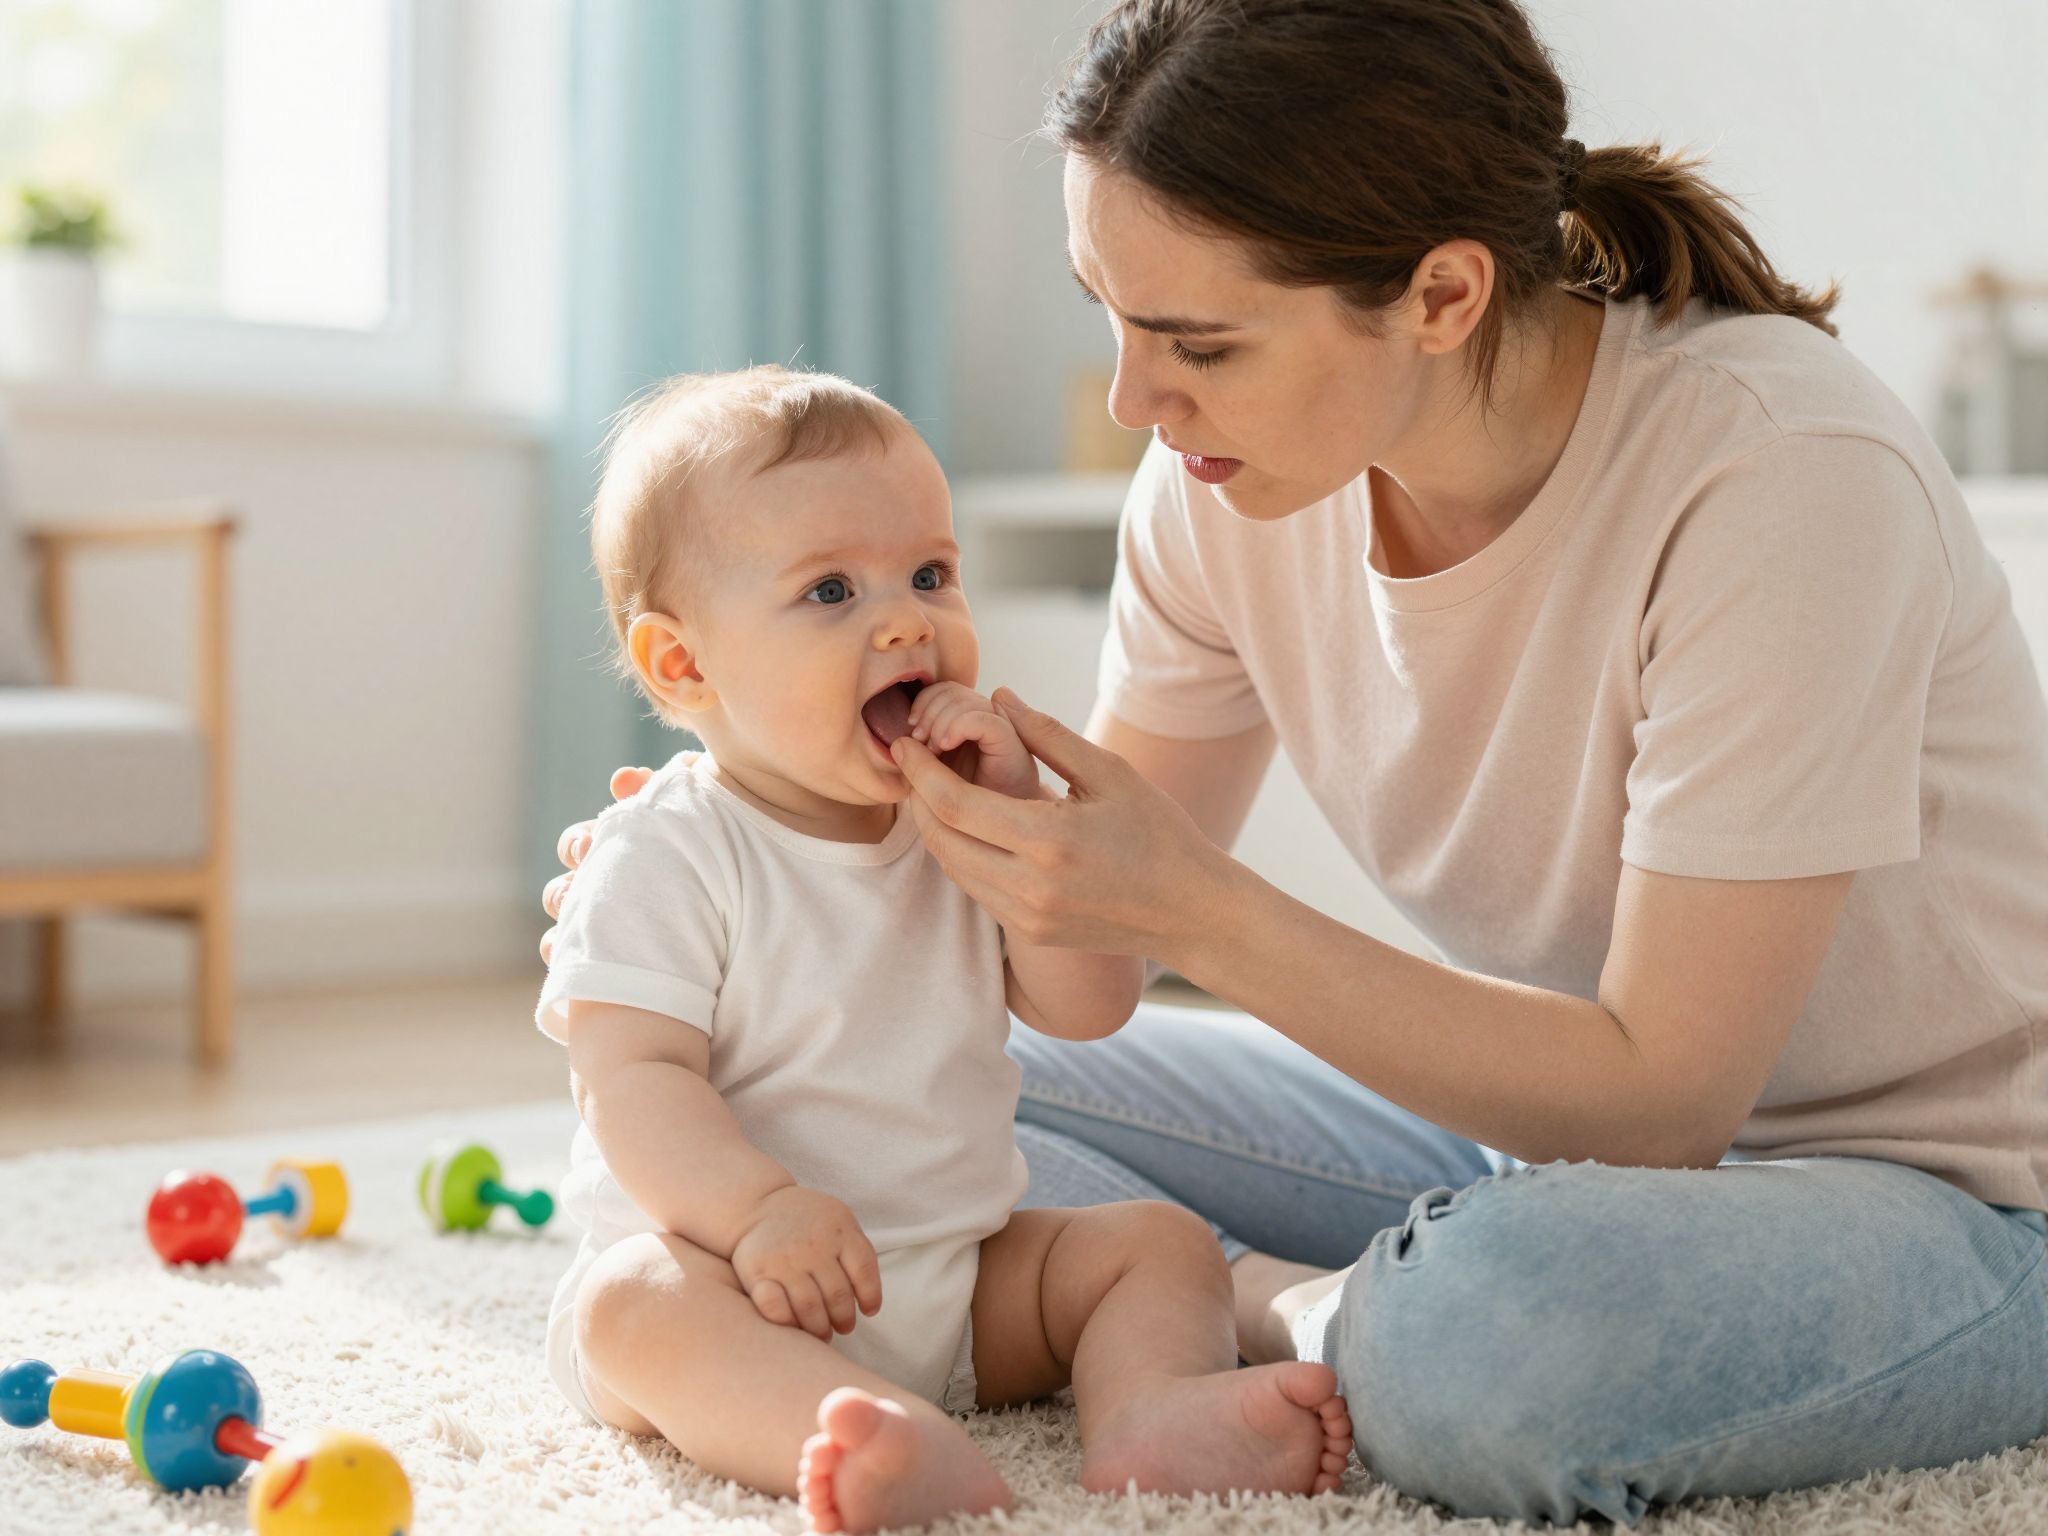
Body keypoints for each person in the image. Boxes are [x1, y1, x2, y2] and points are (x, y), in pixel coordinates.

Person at [545, 1, 2048, 1523]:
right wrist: (750, 875)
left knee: (1491, 1340)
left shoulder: (1779, 475)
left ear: (1442, 294)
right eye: (1111, 315)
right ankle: (1271, 1305)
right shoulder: (1218, 486)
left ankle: (1304, 1306)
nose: (1135, 401)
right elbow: (1081, 974)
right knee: (886, 1076)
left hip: (1943, 1197)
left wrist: (1196, 907)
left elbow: (1664, 1112)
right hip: (1532, 1136)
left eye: (1199, 343)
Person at [536, 365, 1351, 1536]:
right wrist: (757, 1214)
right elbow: (629, 1083)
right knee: (632, 1305)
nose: (906, 620)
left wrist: (1026, 824)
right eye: (829, 591)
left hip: (958, 1285)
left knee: (1156, 1246)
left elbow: (1086, 1008)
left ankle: (1150, 1414)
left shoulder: (960, 824)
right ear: (684, 665)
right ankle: (855, 1433)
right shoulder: (665, 850)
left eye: (929, 574)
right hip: (734, 1278)